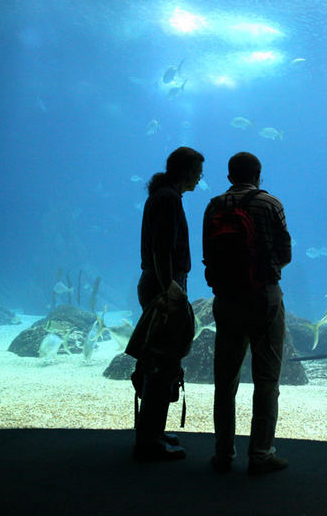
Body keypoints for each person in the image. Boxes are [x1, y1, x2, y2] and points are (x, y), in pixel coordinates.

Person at [203, 151, 292, 475]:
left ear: (229, 176)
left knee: (225, 380)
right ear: (258, 174)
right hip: (263, 297)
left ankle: (223, 453)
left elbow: (207, 254)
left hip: (226, 298)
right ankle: (260, 454)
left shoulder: (214, 206)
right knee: (266, 379)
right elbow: (286, 252)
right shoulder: (271, 204)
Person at [133, 146, 204, 461]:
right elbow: (162, 249)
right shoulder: (168, 199)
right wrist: (169, 290)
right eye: (197, 171)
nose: (200, 177)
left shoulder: (162, 196)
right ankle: (149, 441)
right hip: (164, 285)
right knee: (161, 365)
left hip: (159, 283)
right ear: (184, 171)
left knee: (159, 362)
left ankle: (153, 432)